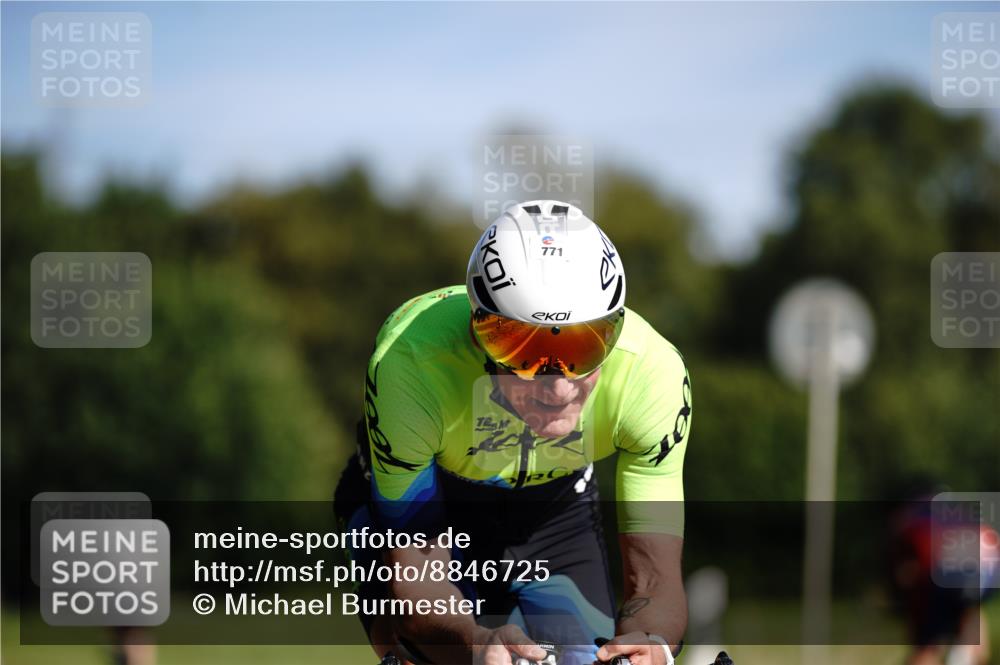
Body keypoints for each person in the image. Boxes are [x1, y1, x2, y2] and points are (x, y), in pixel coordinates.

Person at [334, 200, 692, 665]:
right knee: (422, 652)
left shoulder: (652, 376)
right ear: (480, 331)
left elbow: (655, 580)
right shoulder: (412, 366)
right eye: (525, 351)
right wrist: (474, 644)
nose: (559, 387)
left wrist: (653, 646)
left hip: (552, 509)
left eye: (585, 348)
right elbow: (417, 581)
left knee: (586, 659)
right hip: (437, 500)